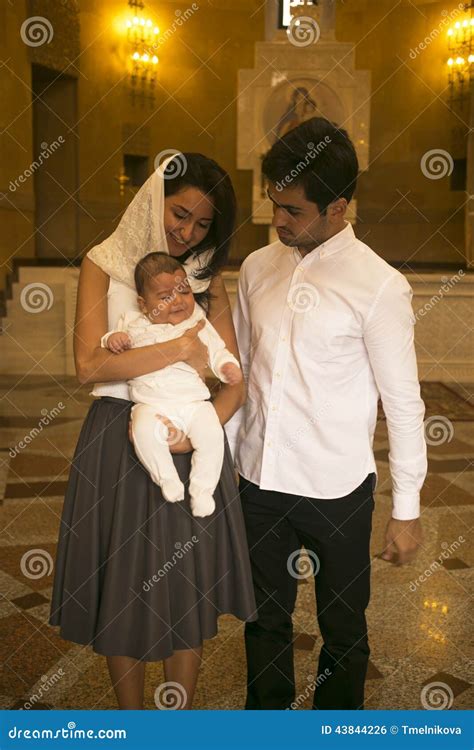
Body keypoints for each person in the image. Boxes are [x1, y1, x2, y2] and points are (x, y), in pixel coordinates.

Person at [225, 117, 427, 710]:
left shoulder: (379, 287)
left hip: (337, 490)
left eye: (292, 210)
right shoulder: (258, 269)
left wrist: (407, 510)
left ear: (337, 207)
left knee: (343, 631)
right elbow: (241, 374)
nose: (277, 221)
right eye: (273, 205)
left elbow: (405, 403)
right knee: (263, 623)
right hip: (258, 482)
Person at [49, 152, 257, 710]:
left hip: (190, 442)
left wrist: (196, 435)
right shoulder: (103, 263)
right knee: (122, 585)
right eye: (180, 214)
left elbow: (235, 381)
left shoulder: (205, 282)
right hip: (117, 440)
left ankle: (178, 722)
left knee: (185, 586)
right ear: (152, 198)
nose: (188, 233)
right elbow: (90, 366)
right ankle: (134, 723)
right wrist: (181, 349)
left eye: (202, 224)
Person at [103, 251, 242, 517]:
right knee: (143, 430)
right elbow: (111, 341)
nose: (178, 301)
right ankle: (166, 478)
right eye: (165, 297)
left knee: (212, 434)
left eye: (184, 292)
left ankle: (202, 490)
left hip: (194, 404)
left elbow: (218, 350)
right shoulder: (134, 324)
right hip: (151, 405)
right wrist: (114, 338)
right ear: (144, 304)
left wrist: (226, 368)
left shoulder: (198, 322)